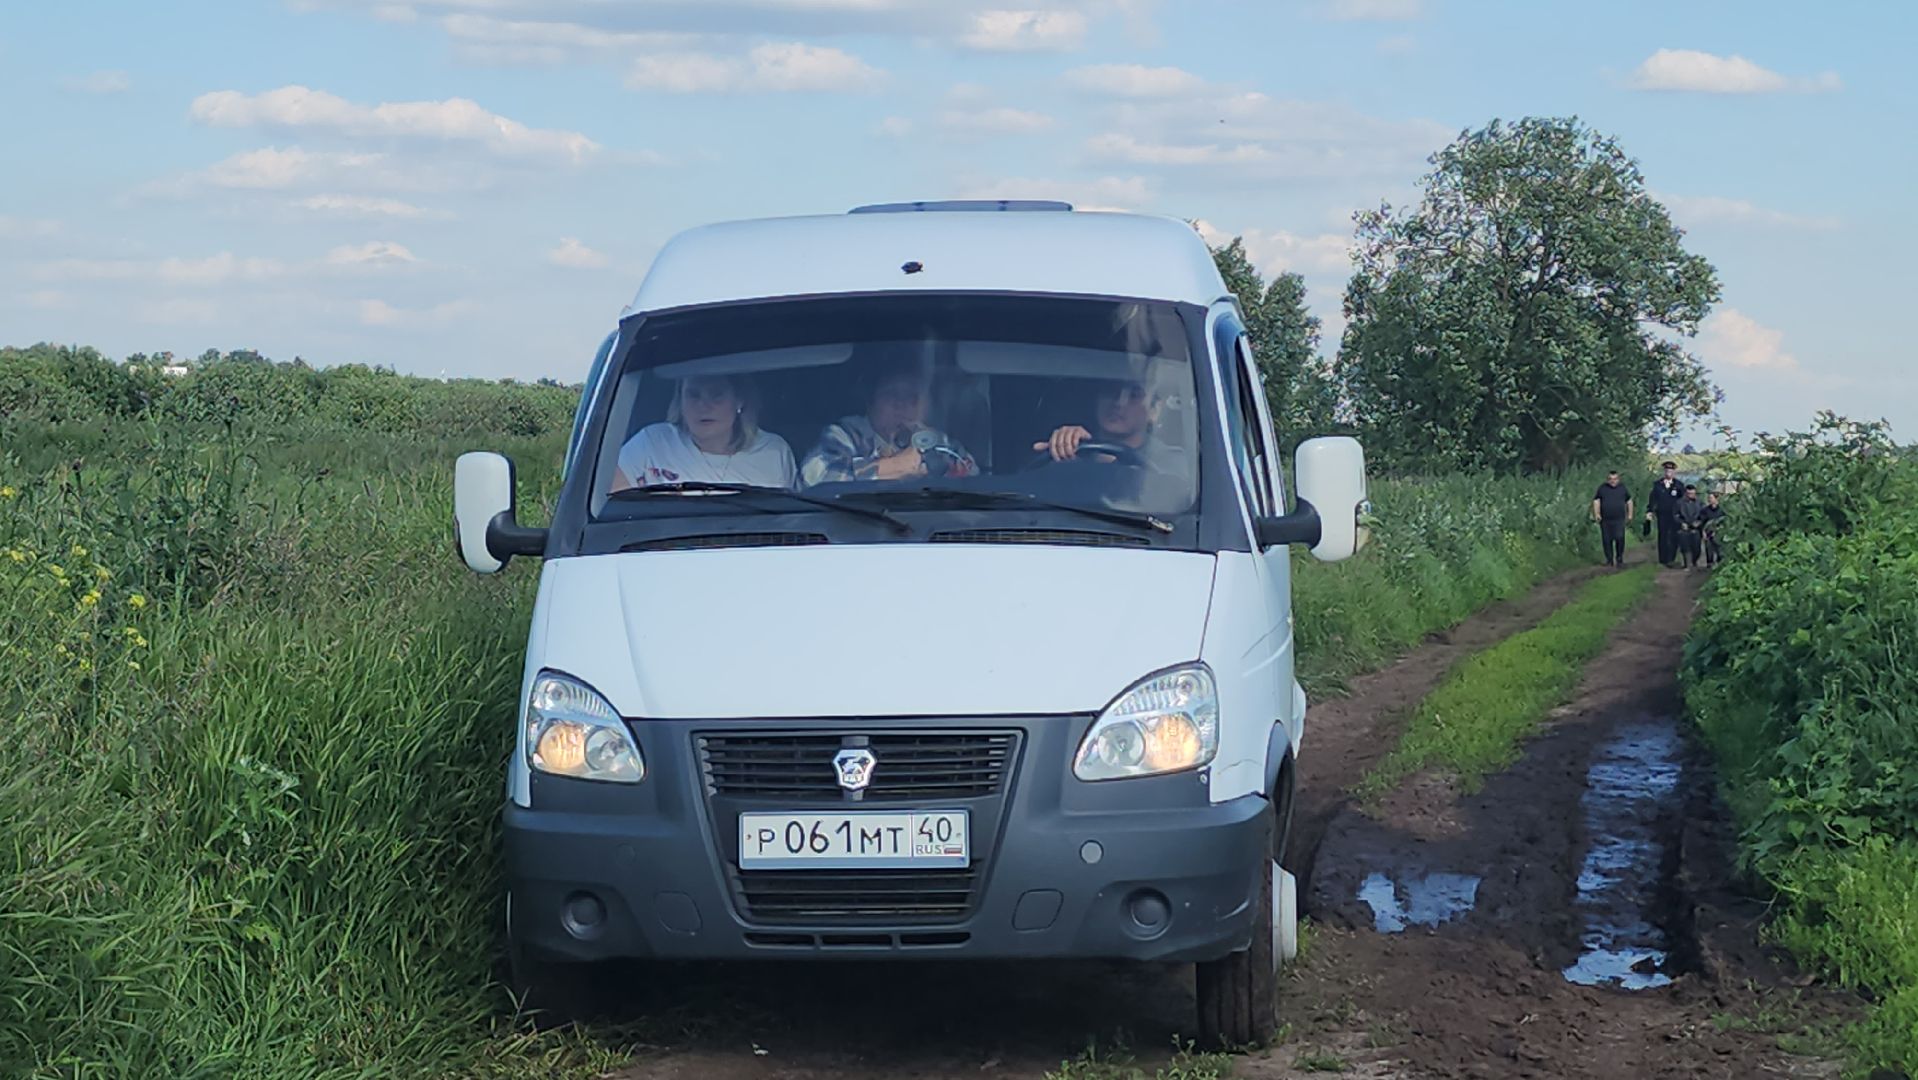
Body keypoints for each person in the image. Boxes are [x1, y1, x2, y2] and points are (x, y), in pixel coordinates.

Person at [800, 356, 977, 487]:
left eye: (912, 397)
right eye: (891, 394)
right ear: (871, 402)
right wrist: (892, 467)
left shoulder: (939, 443)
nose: (901, 404)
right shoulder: (845, 435)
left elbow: (974, 481)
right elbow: (815, 479)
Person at [611, 374, 796, 491]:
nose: (703, 406)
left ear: (739, 401)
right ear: (680, 401)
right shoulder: (651, 442)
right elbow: (609, 504)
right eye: (693, 395)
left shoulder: (774, 452)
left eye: (716, 395)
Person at [1033, 376, 1184, 473]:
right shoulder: (1074, 453)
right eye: (1112, 390)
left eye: (1134, 395)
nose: (1119, 402)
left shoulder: (1170, 466)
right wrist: (1061, 449)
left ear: (1154, 410)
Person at [1591, 470, 1635, 569]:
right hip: (1605, 519)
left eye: (1615, 479)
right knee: (1606, 540)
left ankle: (1619, 558)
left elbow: (1629, 501)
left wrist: (1630, 514)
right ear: (1607, 480)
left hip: (1619, 519)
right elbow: (1596, 501)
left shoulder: (1622, 488)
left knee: (1619, 538)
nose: (1613, 481)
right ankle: (1609, 560)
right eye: (1610, 479)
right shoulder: (1602, 488)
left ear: (1618, 479)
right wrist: (1597, 514)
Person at [1645, 461, 1685, 567]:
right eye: (1667, 470)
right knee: (1663, 536)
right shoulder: (1658, 485)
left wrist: (1683, 515)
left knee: (1674, 536)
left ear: (1674, 472)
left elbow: (1683, 501)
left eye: (1671, 471)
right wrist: (1650, 511)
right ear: (1664, 471)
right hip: (1662, 514)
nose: (1669, 472)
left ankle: (1671, 558)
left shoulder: (1679, 485)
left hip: (1675, 515)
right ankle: (1663, 559)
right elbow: (1652, 499)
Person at [1673, 483, 1705, 570]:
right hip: (1684, 527)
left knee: (1696, 548)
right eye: (1689, 494)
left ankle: (1694, 561)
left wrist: (1698, 522)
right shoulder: (1679, 503)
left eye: (1692, 493)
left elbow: (1703, 515)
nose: (1691, 495)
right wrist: (1681, 523)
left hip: (1696, 528)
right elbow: (1675, 515)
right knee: (1685, 547)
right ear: (1686, 493)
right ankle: (1687, 564)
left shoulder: (1700, 503)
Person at [1699, 490, 1726, 568]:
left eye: (1711, 498)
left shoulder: (1722, 510)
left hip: (1719, 532)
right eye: (1708, 498)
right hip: (1708, 533)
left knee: (1719, 549)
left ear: (1716, 499)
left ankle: (1720, 563)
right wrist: (1703, 532)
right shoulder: (1705, 510)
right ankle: (1709, 564)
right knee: (1709, 549)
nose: (1709, 499)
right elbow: (1702, 521)